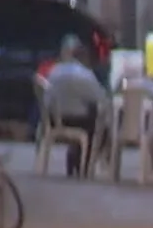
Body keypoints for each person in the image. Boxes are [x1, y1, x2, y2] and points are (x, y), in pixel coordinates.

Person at [42, 36, 108, 178]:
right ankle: (85, 165)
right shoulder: (85, 75)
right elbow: (101, 98)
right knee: (99, 123)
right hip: (79, 121)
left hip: (55, 120)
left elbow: (46, 100)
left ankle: (74, 154)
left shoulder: (54, 72)